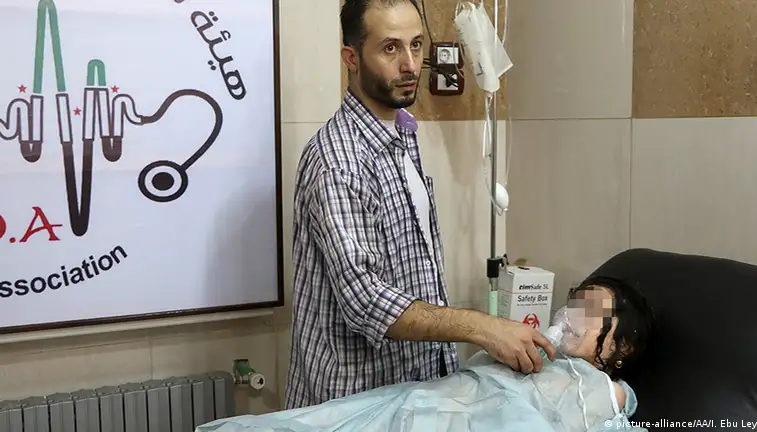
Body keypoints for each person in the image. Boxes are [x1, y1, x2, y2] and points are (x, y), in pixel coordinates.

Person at [284, 0, 556, 410]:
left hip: (413, 395)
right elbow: (366, 300)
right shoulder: (338, 160)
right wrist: (483, 328)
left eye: (415, 45)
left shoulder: (402, 137)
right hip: (356, 406)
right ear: (351, 58)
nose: (411, 65)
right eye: (390, 48)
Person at [199, 276, 657, 431]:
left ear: (622, 346)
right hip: (415, 402)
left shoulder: (602, 389)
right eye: (573, 302)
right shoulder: (526, 350)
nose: (571, 314)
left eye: (590, 311)